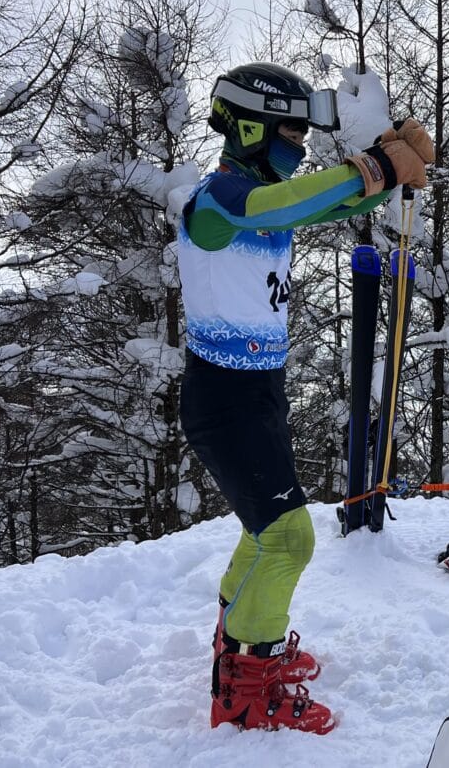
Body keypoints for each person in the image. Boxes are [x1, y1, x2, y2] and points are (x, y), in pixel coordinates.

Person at [178, 62, 434, 732]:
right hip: (223, 400)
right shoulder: (215, 202)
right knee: (287, 538)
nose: (297, 143)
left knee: (264, 532)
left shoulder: (268, 198)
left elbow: (333, 202)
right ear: (253, 123)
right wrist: (375, 164)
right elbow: (287, 203)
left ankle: (237, 647)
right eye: (291, 128)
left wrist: (386, 171)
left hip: (258, 394)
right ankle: (246, 689)